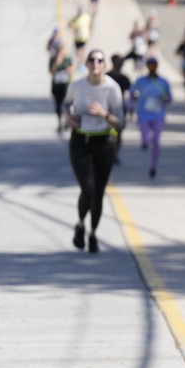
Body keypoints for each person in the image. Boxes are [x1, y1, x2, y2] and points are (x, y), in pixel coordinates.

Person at [64, 48, 125, 253]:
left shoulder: (112, 88)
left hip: (104, 142)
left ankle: (93, 234)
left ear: (105, 65)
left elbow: (120, 122)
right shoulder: (77, 86)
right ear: (87, 64)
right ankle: (81, 224)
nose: (96, 63)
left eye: (100, 60)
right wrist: (69, 118)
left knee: (98, 193)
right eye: (92, 60)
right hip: (81, 140)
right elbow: (66, 104)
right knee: (88, 189)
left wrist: (104, 114)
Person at [129, 57, 172, 178]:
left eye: (154, 65)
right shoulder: (141, 80)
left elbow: (170, 98)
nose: (152, 67)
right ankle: (145, 142)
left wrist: (165, 99)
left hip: (158, 115)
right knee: (145, 139)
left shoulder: (163, 81)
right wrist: (130, 106)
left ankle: (153, 166)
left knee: (156, 142)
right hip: (143, 114)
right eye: (150, 65)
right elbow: (132, 94)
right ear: (147, 66)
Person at [106, 54, 132, 163]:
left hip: (120, 108)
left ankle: (115, 154)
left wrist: (131, 110)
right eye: (118, 62)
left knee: (118, 132)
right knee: (111, 133)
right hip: (107, 109)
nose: (120, 64)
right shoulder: (107, 77)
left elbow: (131, 95)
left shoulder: (124, 78)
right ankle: (109, 153)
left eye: (121, 62)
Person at [49, 42, 75, 133]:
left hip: (65, 85)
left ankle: (67, 122)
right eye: (57, 50)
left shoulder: (67, 59)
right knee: (58, 105)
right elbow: (51, 72)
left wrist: (69, 70)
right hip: (56, 86)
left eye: (60, 50)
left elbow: (72, 68)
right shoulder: (53, 59)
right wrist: (56, 63)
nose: (59, 52)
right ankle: (59, 123)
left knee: (67, 105)